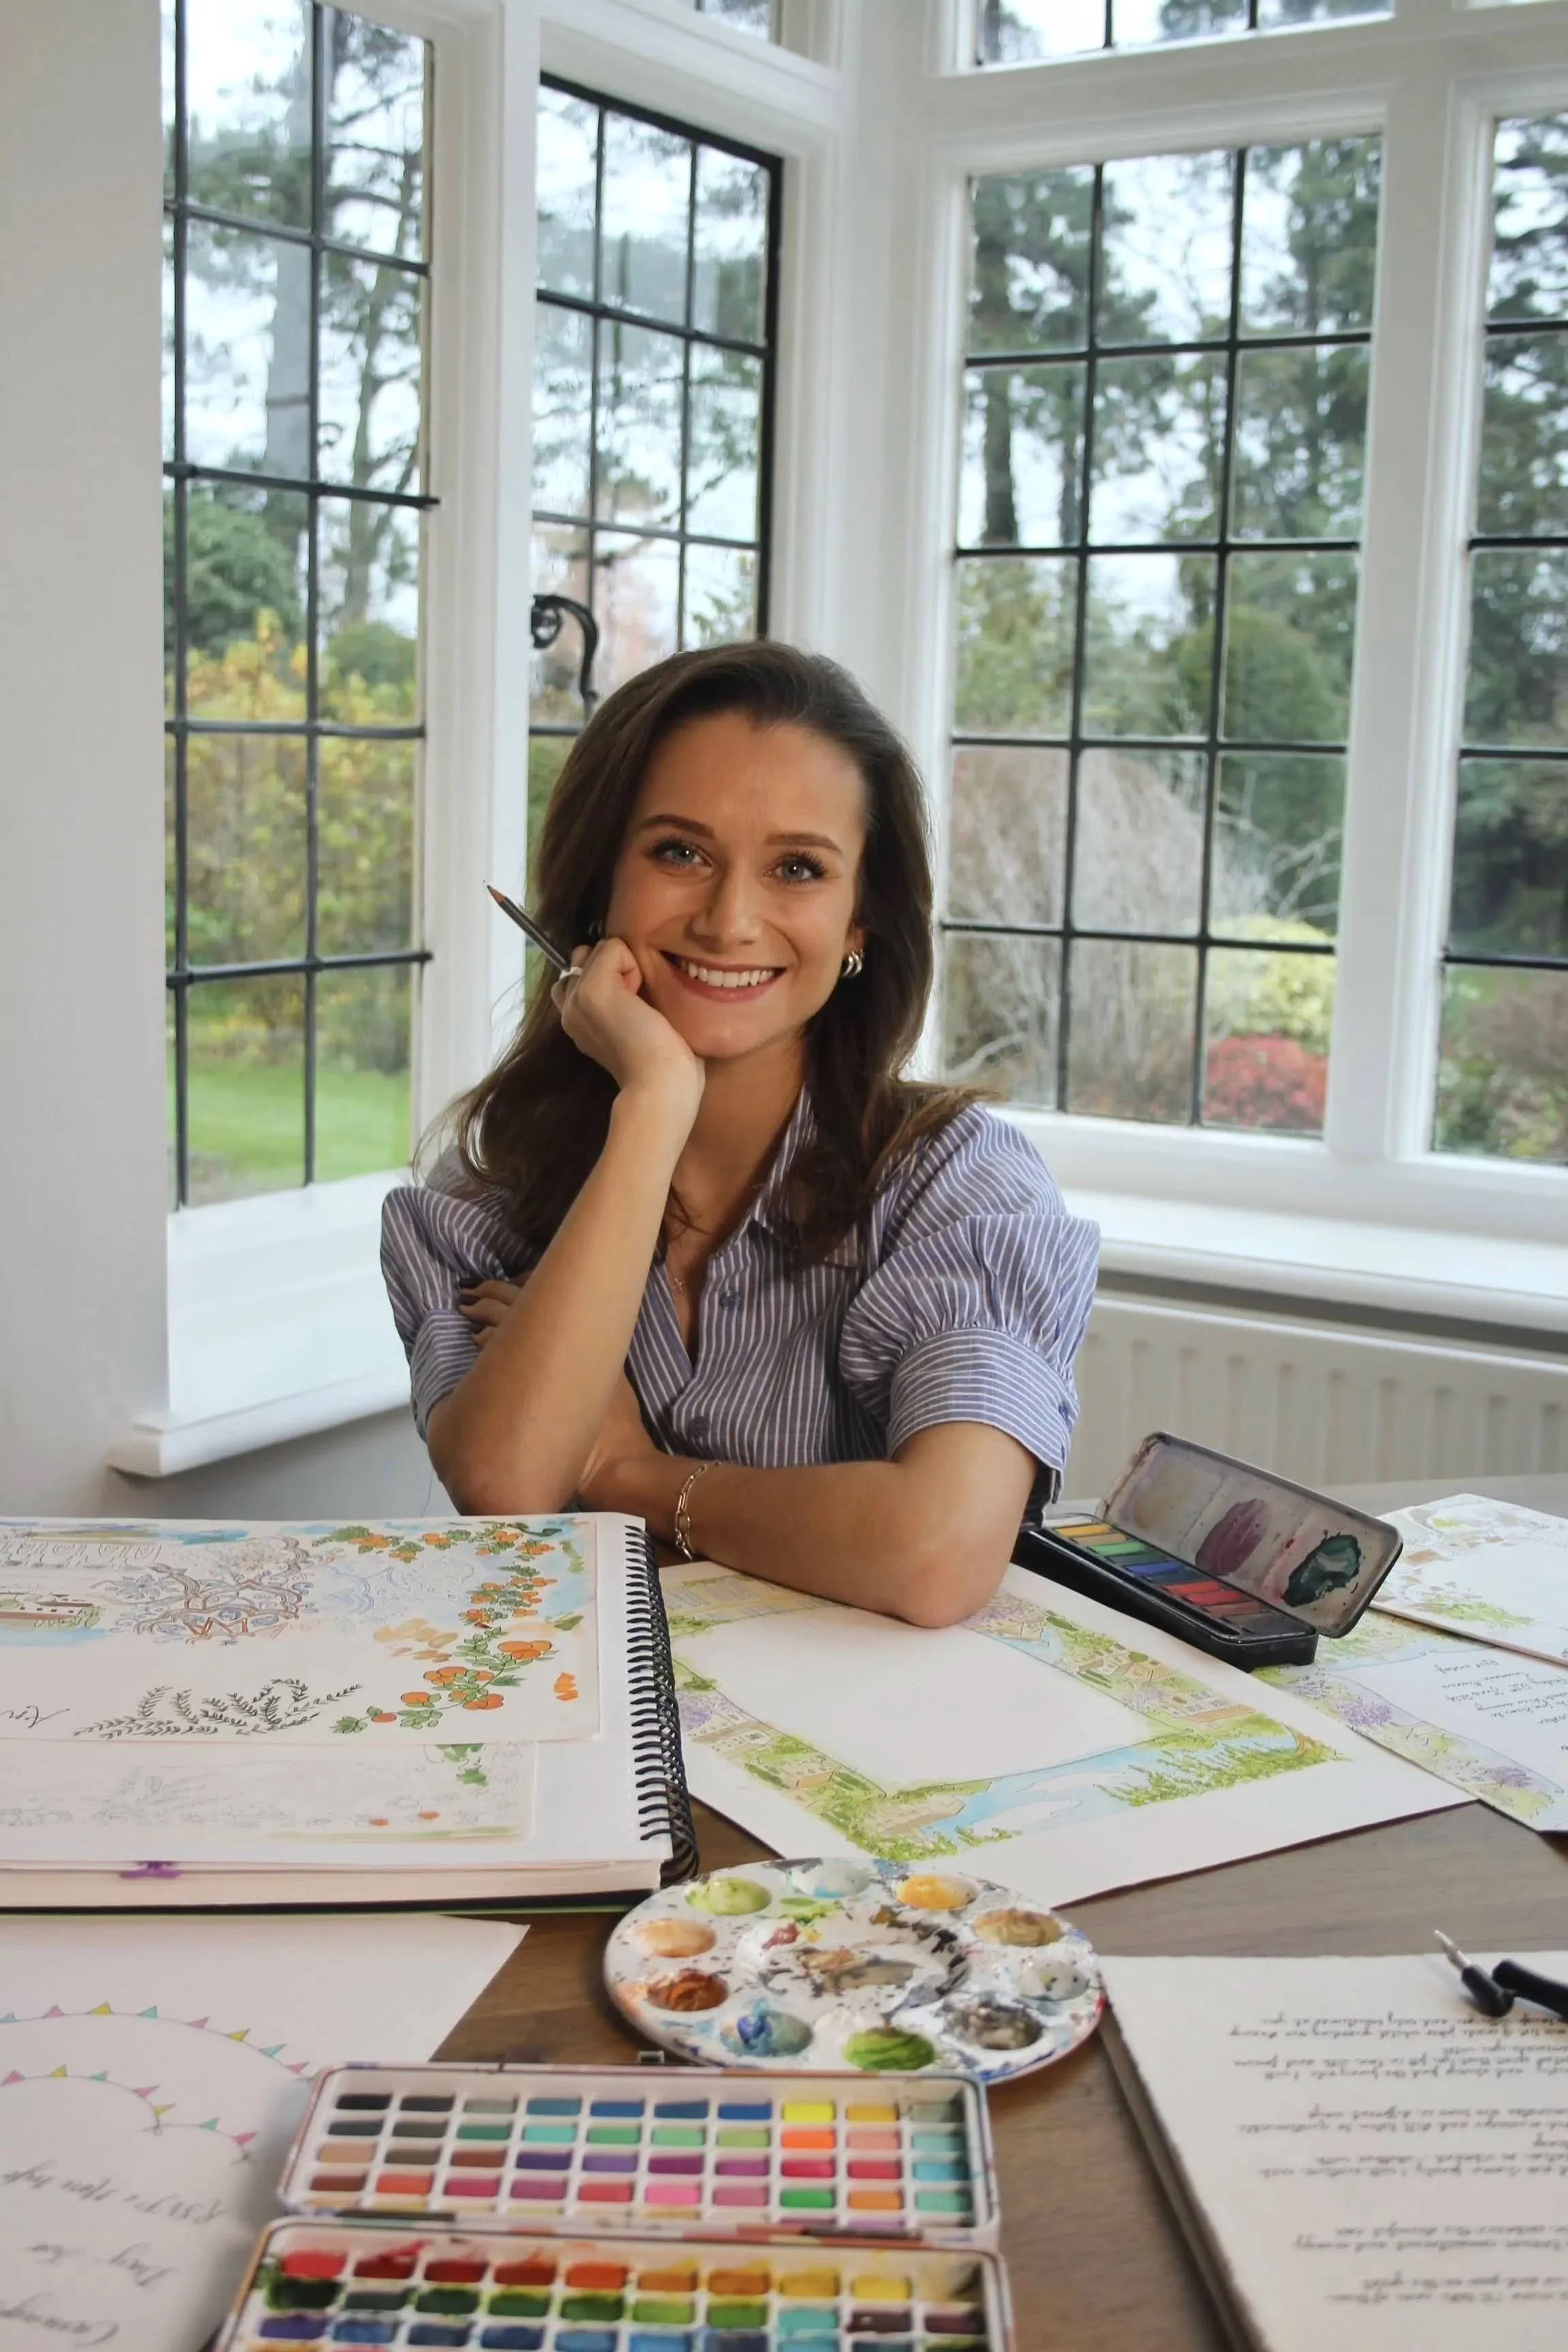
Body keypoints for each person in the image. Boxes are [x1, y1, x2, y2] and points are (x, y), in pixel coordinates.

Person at [382, 642, 1098, 1627]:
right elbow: (507, 1486)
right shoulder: (483, 1206)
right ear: (601, 882)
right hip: (589, 1749)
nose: (729, 919)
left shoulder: (958, 1186)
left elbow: (937, 1552)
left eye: (797, 869)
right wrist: (654, 1106)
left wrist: (634, 1472)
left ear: (859, 926)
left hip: (860, 1762)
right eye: (680, 851)